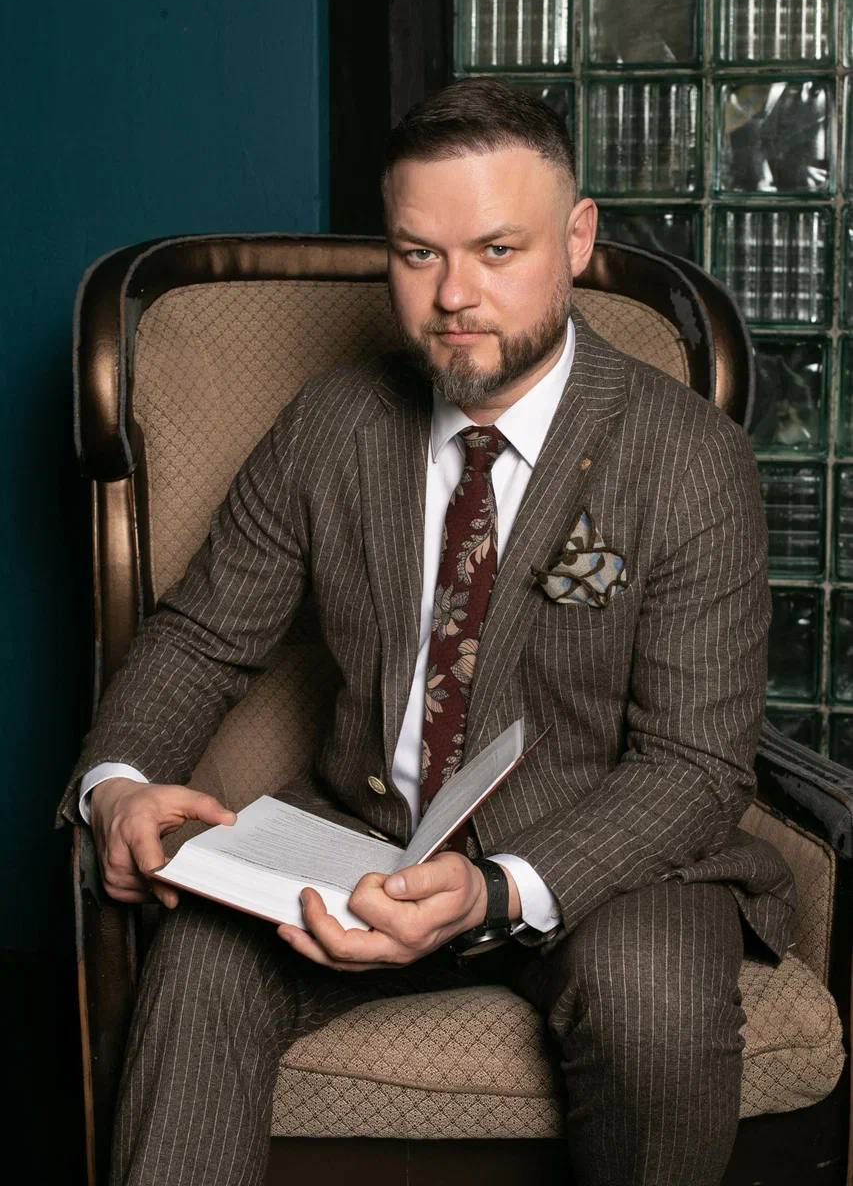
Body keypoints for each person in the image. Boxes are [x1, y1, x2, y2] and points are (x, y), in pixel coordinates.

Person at [59, 78, 794, 1186]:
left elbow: (693, 764)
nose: (454, 295)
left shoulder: (686, 456)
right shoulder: (331, 424)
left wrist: (496, 887)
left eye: (497, 249)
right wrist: (116, 781)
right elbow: (202, 635)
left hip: (608, 858)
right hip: (359, 833)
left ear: (576, 240)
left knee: (652, 1002)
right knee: (198, 965)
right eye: (417, 254)